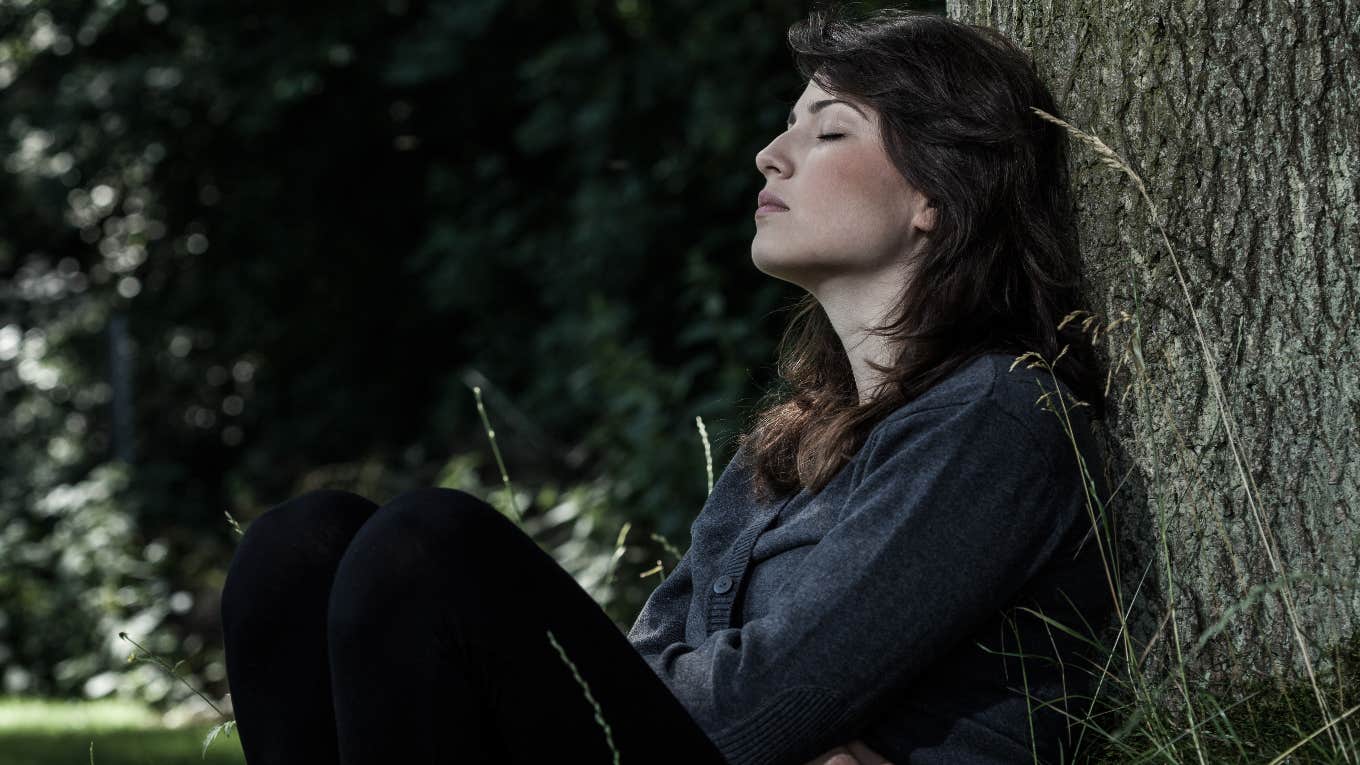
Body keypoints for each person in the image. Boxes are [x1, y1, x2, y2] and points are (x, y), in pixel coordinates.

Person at [219, 5, 1116, 765]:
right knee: (299, 544)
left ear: (939, 194)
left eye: (829, 129)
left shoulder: (1000, 416)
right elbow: (669, 658)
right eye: (788, 124)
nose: (772, 153)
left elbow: (754, 709)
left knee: (430, 546)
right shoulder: (796, 432)